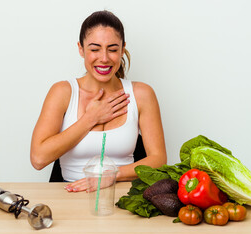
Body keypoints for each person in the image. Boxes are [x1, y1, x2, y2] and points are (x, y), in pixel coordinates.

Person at [30, 10, 166, 192]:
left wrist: (110, 176)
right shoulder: (62, 92)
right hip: (69, 196)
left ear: (122, 49)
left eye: (112, 49)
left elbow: (158, 160)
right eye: (94, 49)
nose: (104, 58)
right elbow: (38, 159)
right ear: (81, 49)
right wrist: (90, 119)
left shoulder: (142, 94)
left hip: (123, 197)